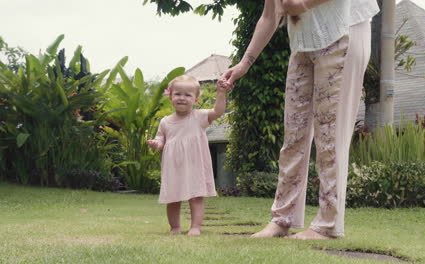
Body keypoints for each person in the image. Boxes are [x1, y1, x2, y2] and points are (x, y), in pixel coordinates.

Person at [222, 0, 379, 239]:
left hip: (344, 30)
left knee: (331, 135)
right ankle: (282, 219)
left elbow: (293, 4)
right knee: (294, 135)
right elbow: (270, 15)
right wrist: (244, 64)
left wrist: (302, 4)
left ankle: (328, 225)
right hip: (303, 44)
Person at [147, 75, 229, 236]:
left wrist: (221, 93)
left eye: (187, 95)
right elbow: (161, 139)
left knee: (196, 197)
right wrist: (156, 143)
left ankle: (195, 227)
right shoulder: (165, 121)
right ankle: (175, 227)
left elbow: (218, 111)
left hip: (194, 164)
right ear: (170, 96)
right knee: (173, 198)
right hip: (173, 167)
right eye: (178, 94)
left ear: (196, 99)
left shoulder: (199, 117)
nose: (182, 98)